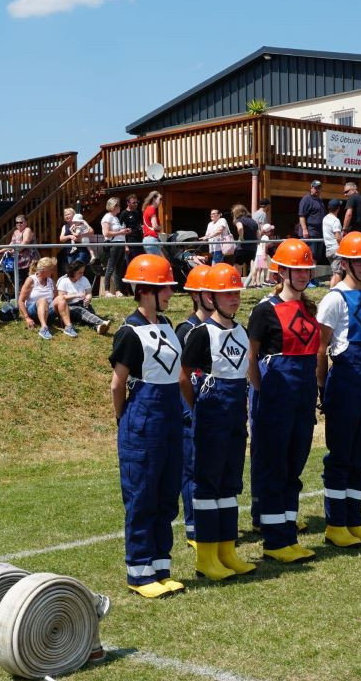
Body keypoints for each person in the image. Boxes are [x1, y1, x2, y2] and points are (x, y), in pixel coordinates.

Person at [109, 253, 187, 598]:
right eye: (164, 287)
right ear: (145, 291)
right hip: (143, 416)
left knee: (167, 494)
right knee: (142, 494)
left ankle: (160, 566)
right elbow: (117, 384)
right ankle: (139, 573)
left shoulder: (168, 324)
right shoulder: (128, 331)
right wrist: (124, 420)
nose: (170, 292)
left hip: (170, 415)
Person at [180, 263, 257, 580]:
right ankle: (207, 556)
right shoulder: (200, 333)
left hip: (236, 412)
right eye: (227, 294)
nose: (234, 299)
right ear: (209, 296)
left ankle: (228, 550)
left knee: (229, 483)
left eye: (236, 292)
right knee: (208, 484)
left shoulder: (241, 330)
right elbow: (182, 376)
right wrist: (197, 407)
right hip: (211, 411)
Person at [247, 239, 321, 564]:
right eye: (297, 269)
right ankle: (275, 541)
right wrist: (265, 395)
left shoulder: (310, 308)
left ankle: (289, 534)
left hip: (303, 398)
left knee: (295, 467)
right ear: (282, 271)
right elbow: (251, 361)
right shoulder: (264, 310)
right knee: (274, 468)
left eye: (306, 268)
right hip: (276, 397)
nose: (303, 275)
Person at [317, 231, 361, 548]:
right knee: (340, 455)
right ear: (345, 262)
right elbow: (320, 348)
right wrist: (319, 386)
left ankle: (354, 521)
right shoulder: (333, 299)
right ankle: (335, 524)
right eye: (359, 260)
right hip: (343, 381)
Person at [176, 265, 214, 550]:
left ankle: (214, 522)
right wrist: (191, 410)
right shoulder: (186, 330)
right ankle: (194, 527)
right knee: (192, 469)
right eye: (208, 291)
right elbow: (182, 375)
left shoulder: (223, 327)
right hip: (192, 409)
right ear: (195, 295)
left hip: (217, 409)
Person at [57, 256, 112, 336]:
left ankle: (98, 327)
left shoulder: (84, 279)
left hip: (83, 304)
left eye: (83, 272)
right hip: (69, 307)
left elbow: (89, 293)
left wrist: (88, 298)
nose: (82, 274)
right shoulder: (64, 281)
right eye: (80, 272)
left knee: (87, 315)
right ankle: (101, 322)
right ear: (73, 271)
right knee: (81, 311)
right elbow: (61, 298)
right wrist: (76, 295)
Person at [20, 257, 74, 339]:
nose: (53, 271)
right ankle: (43, 328)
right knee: (43, 300)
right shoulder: (31, 280)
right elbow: (21, 301)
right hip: (33, 312)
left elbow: (56, 300)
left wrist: (60, 315)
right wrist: (27, 318)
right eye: (51, 269)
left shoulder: (51, 281)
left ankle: (68, 326)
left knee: (61, 298)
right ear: (43, 270)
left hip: (48, 311)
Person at [101, 197, 130, 296]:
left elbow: (118, 232)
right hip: (113, 245)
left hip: (120, 244)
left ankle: (118, 291)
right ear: (113, 206)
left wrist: (124, 232)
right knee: (110, 268)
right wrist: (120, 232)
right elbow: (106, 233)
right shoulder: (107, 217)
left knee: (119, 268)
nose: (119, 207)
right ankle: (107, 291)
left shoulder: (116, 218)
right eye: (118, 205)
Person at [297, 180, 326, 262]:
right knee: (310, 256)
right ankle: (308, 274)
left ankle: (313, 274)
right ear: (311, 188)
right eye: (316, 188)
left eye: (319, 188)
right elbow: (302, 215)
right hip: (310, 233)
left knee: (317, 257)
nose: (317, 190)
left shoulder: (319, 200)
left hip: (319, 233)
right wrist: (305, 230)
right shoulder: (306, 199)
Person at [232, 203, 257, 276]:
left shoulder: (239, 220)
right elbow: (258, 234)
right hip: (252, 248)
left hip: (242, 248)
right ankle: (254, 282)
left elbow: (240, 228)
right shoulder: (253, 221)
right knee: (252, 264)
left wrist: (241, 237)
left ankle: (238, 282)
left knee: (238, 265)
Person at [322, 199, 344, 282]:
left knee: (334, 273)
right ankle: (335, 291)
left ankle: (333, 289)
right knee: (338, 273)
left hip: (328, 249)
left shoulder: (325, 218)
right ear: (338, 208)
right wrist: (343, 247)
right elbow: (338, 237)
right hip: (336, 249)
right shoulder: (336, 220)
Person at [142, 191, 165, 256]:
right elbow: (155, 226)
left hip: (148, 240)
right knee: (161, 263)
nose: (160, 201)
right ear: (154, 198)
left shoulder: (147, 209)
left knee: (162, 263)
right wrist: (161, 227)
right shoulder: (152, 209)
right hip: (151, 240)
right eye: (160, 199)